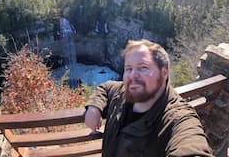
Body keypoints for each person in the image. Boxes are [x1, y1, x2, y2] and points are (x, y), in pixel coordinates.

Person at [84, 39, 213, 157]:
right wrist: (94, 107)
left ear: (164, 72)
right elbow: (106, 87)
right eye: (128, 69)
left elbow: (191, 144)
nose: (133, 75)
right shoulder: (123, 92)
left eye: (143, 68)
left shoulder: (176, 119)